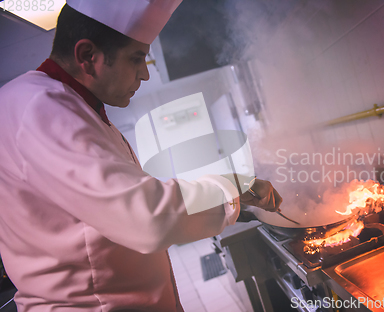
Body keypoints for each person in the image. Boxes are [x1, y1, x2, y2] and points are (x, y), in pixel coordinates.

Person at [0, 1, 282, 311]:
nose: (144, 75)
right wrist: (232, 188)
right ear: (87, 56)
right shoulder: (38, 107)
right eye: (136, 59)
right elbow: (147, 216)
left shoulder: (75, 108)